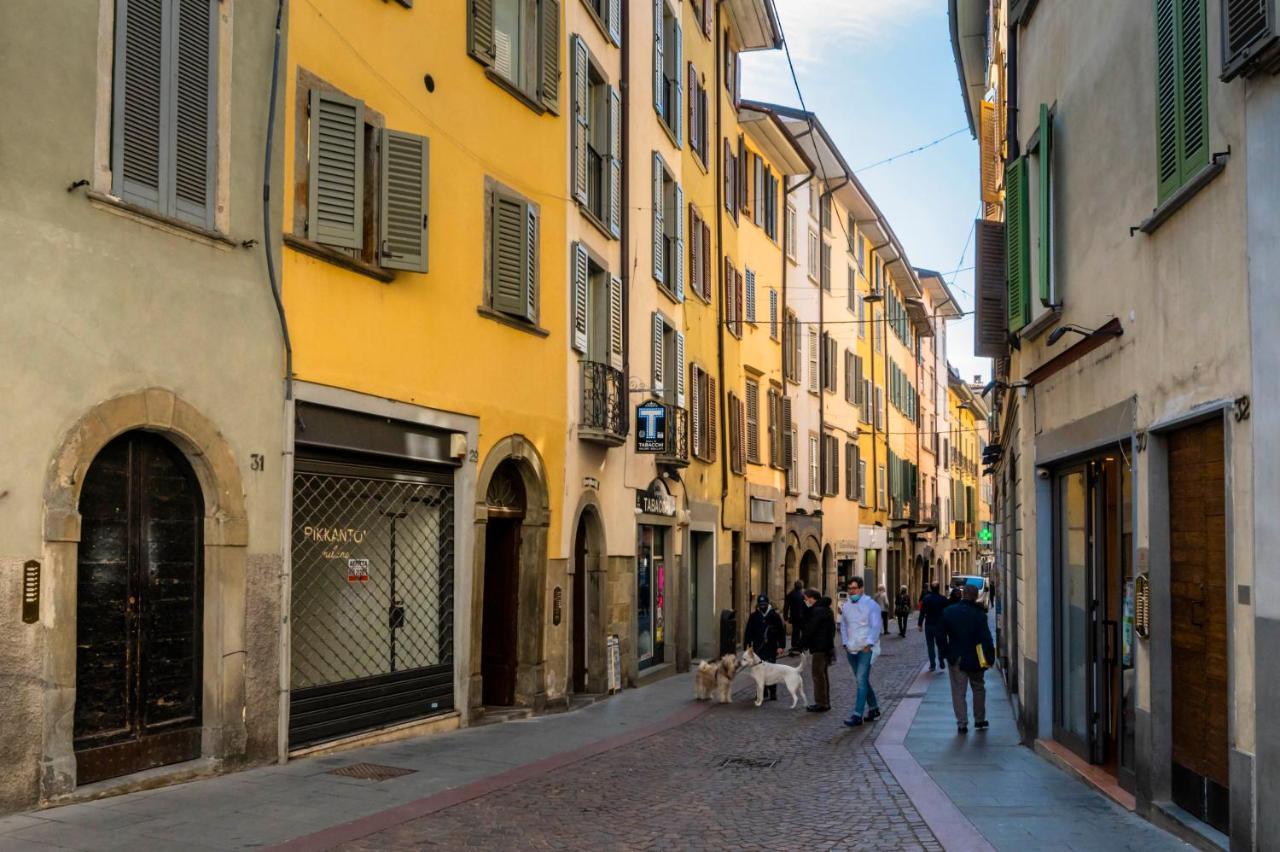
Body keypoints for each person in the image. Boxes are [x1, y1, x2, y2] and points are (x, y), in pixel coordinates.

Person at [939, 584, 996, 734]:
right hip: (976, 658)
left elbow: (940, 636)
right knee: (978, 688)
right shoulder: (979, 614)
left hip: (956, 657)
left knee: (958, 691)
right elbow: (986, 638)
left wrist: (946, 653)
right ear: (976, 596)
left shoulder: (949, 612)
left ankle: (962, 723)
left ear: (963, 595)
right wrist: (990, 657)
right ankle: (979, 720)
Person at [839, 577, 882, 727]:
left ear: (862, 589)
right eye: (850, 588)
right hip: (851, 648)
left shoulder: (871, 605)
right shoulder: (846, 606)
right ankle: (874, 708)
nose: (852, 591)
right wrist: (844, 642)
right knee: (861, 680)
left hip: (865, 648)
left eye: (855, 588)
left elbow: (876, 626)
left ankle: (857, 715)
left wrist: (869, 644)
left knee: (861, 681)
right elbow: (843, 625)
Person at [743, 594, 785, 700]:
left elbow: (781, 632)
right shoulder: (754, 616)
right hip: (758, 648)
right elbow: (748, 631)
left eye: (764, 604)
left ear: (768, 604)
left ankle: (773, 692)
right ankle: (762, 692)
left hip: (771, 646)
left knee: (771, 670)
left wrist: (781, 646)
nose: (762, 606)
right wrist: (747, 644)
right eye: (760, 604)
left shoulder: (774, 616)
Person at [799, 588, 835, 712]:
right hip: (826, 647)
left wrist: (801, 644)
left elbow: (810, 629)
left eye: (806, 598)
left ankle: (821, 703)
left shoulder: (817, 611)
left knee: (818, 675)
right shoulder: (826, 610)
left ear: (812, 598)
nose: (805, 601)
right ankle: (825, 701)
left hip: (819, 648)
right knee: (823, 675)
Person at [917, 581, 950, 671]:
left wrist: (920, 624)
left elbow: (922, 612)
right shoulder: (943, 599)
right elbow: (948, 612)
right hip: (940, 625)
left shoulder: (927, 599)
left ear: (931, 588)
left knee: (930, 645)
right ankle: (941, 660)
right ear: (939, 588)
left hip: (929, 624)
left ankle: (932, 664)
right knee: (940, 643)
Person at [783, 580, 807, 656]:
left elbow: (786, 607)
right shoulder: (804, 594)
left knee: (795, 631)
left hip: (794, 616)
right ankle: (802, 646)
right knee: (803, 631)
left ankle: (794, 646)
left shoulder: (790, 594)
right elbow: (808, 606)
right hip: (803, 616)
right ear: (801, 586)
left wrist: (785, 616)